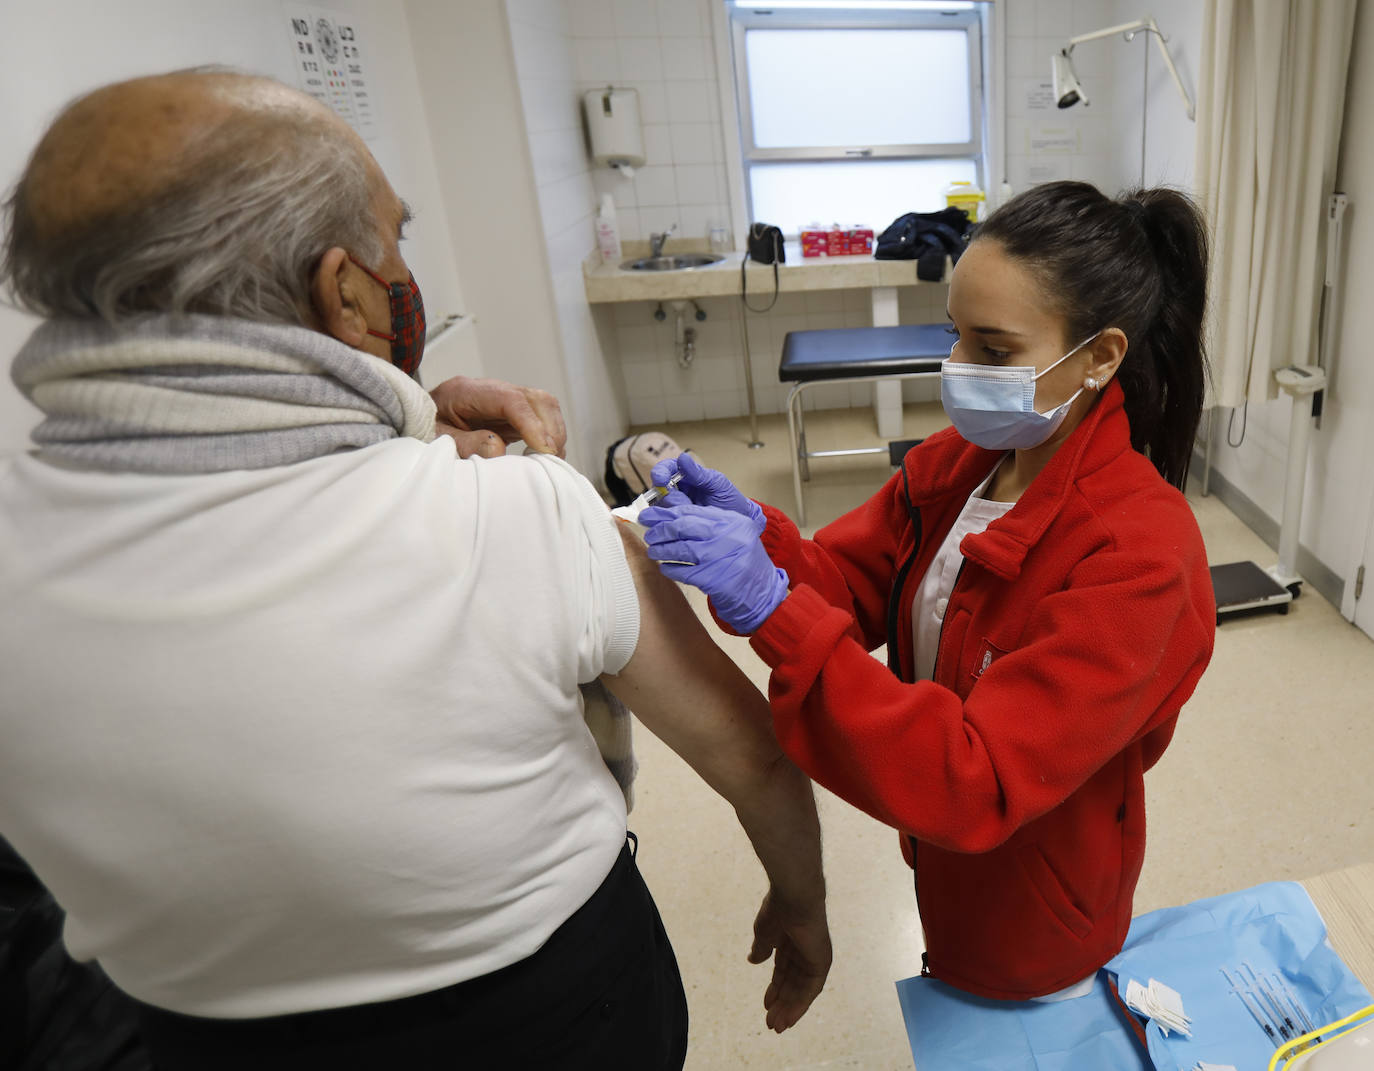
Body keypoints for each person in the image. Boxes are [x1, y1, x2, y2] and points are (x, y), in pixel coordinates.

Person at [0, 69, 830, 1069]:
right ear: (345, 289)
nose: (405, 266)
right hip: (553, 1014)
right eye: (397, 237)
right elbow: (752, 761)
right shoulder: (521, 514)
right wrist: (803, 907)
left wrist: (412, 411)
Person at [640, 180, 1217, 1002]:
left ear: (1099, 357)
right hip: (944, 861)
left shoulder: (1139, 555)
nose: (956, 369)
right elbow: (848, 583)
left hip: (1038, 904)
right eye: (956, 336)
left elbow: (973, 776)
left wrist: (775, 608)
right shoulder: (960, 466)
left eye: (993, 348)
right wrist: (766, 545)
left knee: (1007, 1001)